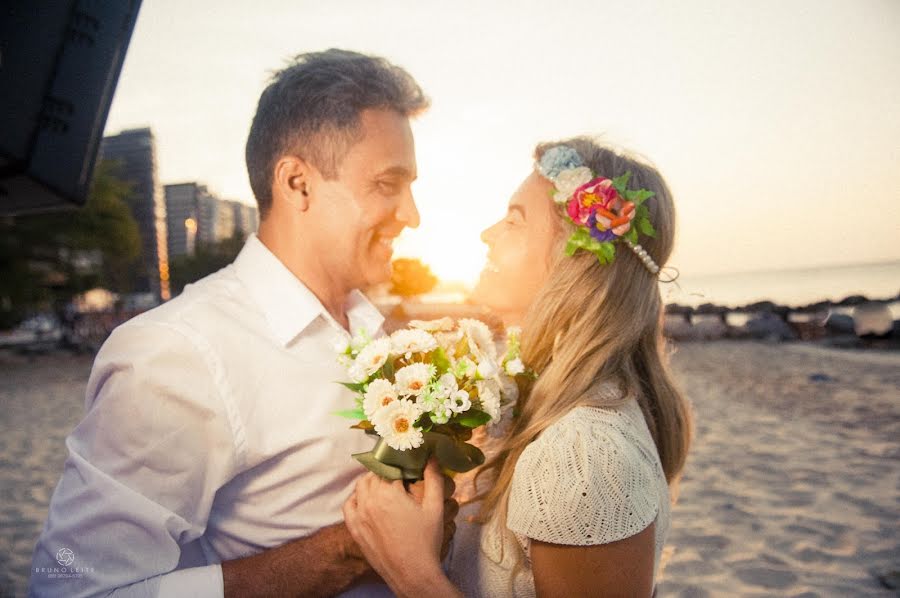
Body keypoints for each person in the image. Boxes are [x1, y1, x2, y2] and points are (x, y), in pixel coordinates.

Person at [29, 49, 457, 598]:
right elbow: (68, 588)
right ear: (297, 183)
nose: (412, 215)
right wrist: (348, 551)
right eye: (387, 184)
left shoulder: (377, 332)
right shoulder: (177, 353)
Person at [343, 137, 693, 597]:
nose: (488, 234)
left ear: (577, 258)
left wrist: (412, 572)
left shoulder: (587, 455)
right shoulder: (527, 399)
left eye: (514, 221)